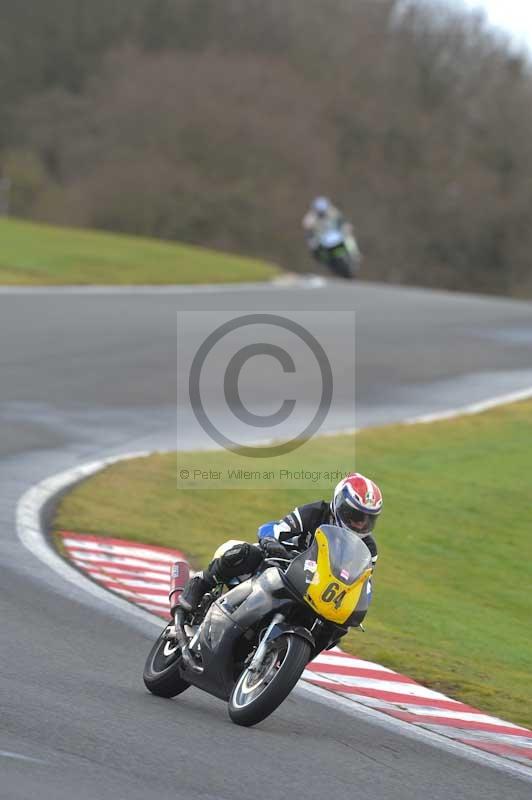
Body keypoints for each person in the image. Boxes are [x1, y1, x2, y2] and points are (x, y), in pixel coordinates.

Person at [178, 473, 382, 617]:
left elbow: (363, 584)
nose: (359, 524)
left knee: (337, 628)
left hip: (317, 590)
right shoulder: (315, 513)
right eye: (355, 516)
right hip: (283, 566)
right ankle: (201, 583)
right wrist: (272, 543)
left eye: (366, 519)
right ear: (339, 505)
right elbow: (274, 529)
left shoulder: (368, 549)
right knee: (245, 553)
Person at [302, 196, 360, 263]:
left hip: (336, 234)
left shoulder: (333, 212)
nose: (322, 213)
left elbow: (342, 221)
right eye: (320, 212)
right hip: (322, 239)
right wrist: (311, 240)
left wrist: (346, 226)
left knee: (349, 238)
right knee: (315, 249)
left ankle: (354, 254)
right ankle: (323, 260)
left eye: (323, 211)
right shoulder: (310, 220)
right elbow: (308, 233)